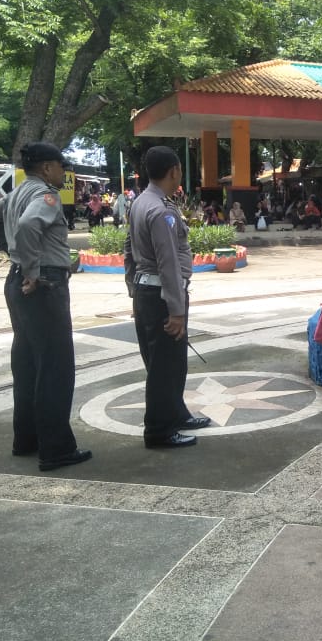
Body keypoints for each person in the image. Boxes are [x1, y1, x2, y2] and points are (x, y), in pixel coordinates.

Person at [0, 143, 92, 471]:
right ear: (46, 168)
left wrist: (11, 251)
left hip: (16, 282)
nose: (64, 172)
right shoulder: (46, 195)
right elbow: (30, 225)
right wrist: (32, 269)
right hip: (43, 285)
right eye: (61, 166)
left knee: (28, 364)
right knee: (55, 366)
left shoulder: (16, 193)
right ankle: (56, 449)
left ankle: (27, 439)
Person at [124, 146, 211, 448]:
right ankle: (159, 430)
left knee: (172, 361)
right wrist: (175, 310)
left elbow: (128, 249)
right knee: (164, 366)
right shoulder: (161, 210)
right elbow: (168, 263)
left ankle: (176, 413)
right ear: (174, 171)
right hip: (162, 295)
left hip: (148, 291)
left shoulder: (141, 202)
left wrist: (133, 288)